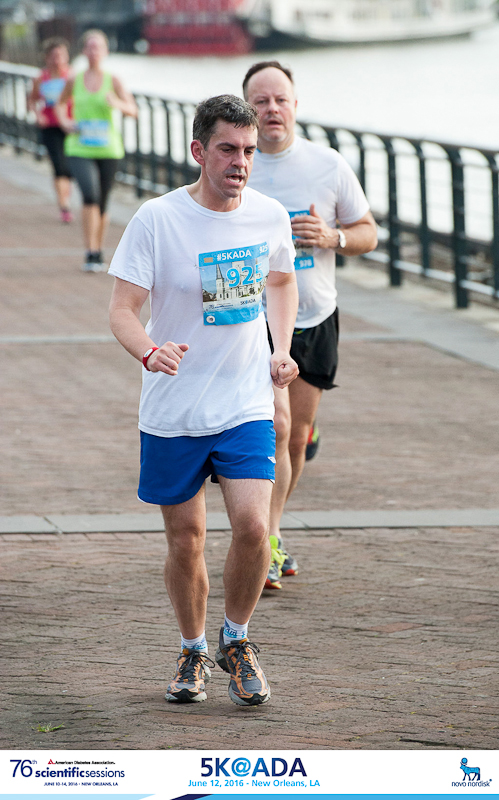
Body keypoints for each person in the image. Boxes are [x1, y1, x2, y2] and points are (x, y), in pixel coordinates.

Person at [108, 95, 299, 706]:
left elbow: (282, 279)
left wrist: (281, 347)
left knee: (253, 527)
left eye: (249, 151)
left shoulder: (268, 215)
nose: (241, 162)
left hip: (245, 400)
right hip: (176, 406)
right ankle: (192, 650)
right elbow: (122, 310)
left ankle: (235, 639)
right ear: (198, 151)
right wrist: (149, 351)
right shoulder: (158, 219)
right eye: (227, 149)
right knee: (187, 537)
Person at [243, 61, 378, 589]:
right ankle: (263, 539)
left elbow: (367, 231)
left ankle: (270, 530)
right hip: (251, 320)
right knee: (274, 429)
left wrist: (332, 237)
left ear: (295, 105)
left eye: (280, 99)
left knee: (295, 437)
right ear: (247, 109)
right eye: (260, 101)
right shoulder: (236, 163)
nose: (271, 109)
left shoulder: (328, 165)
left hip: (314, 316)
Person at [56, 29, 137, 272]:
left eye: (98, 47)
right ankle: (90, 251)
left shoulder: (114, 80)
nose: (93, 51)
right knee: (89, 194)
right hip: (79, 146)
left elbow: (133, 110)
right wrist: (65, 122)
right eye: (90, 47)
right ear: (84, 51)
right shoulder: (74, 79)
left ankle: (99, 250)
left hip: (108, 148)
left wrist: (117, 103)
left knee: (102, 202)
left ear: (105, 51)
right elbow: (60, 103)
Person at [28, 37, 73, 223]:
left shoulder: (72, 76)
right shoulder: (41, 78)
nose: (57, 59)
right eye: (53, 56)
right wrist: (38, 115)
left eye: (61, 55)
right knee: (59, 166)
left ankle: (66, 197)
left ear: (67, 57)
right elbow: (32, 100)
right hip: (50, 127)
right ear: (46, 58)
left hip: (70, 126)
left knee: (69, 168)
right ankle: (64, 205)